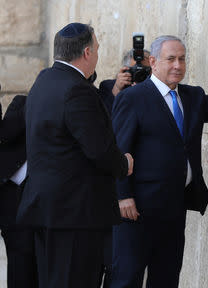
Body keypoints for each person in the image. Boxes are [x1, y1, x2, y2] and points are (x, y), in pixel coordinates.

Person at [110, 35, 208, 288]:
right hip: (138, 210)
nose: (178, 65)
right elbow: (118, 148)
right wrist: (122, 195)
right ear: (154, 62)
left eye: (182, 59)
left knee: (166, 277)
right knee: (127, 277)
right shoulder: (134, 98)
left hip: (174, 208)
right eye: (171, 59)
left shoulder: (193, 97)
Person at [16, 23, 134, 288]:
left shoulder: (44, 80)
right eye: (98, 49)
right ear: (88, 52)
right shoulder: (77, 90)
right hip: (75, 215)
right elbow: (99, 149)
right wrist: (123, 164)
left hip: (48, 210)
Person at [97, 49, 151, 288]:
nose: (139, 75)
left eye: (145, 71)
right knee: (114, 265)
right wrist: (118, 89)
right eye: (133, 71)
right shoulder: (108, 90)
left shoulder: (156, 94)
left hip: (145, 195)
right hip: (113, 191)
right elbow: (103, 130)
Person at [0, 84, 38, 288]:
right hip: (13, 210)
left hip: (43, 210)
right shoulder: (22, 104)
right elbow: (5, 134)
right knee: (19, 271)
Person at [98, 49, 151, 113]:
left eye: (144, 70)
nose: (139, 74)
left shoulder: (157, 89)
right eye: (135, 70)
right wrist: (117, 89)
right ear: (126, 69)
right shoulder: (108, 86)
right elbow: (104, 116)